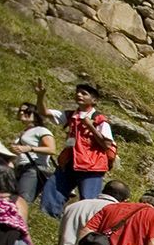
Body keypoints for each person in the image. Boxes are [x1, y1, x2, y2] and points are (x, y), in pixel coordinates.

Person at [36, 80, 116, 217]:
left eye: (84, 93)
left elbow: (106, 144)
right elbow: (44, 112)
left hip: (91, 166)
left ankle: (85, 226)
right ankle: (47, 218)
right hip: (70, 161)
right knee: (53, 189)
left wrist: (90, 126)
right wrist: (40, 96)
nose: (79, 95)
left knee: (88, 200)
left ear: (94, 100)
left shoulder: (99, 120)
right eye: (77, 92)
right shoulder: (71, 115)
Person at [11, 103, 55, 205]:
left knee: (22, 200)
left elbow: (51, 149)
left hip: (33, 169)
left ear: (35, 114)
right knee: (14, 200)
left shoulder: (41, 130)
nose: (22, 112)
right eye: (20, 110)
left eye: (26, 111)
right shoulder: (24, 132)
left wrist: (29, 148)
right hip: (20, 168)